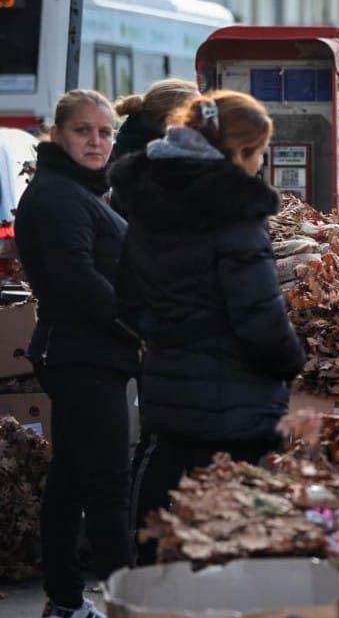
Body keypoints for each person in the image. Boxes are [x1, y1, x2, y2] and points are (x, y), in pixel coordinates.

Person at [111, 91, 306, 564]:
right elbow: (259, 319)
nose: (260, 164)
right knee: (234, 539)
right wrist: (292, 362)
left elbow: (127, 301)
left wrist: (169, 337)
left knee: (164, 529)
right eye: (259, 152)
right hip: (235, 405)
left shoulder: (148, 202)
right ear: (236, 152)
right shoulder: (235, 216)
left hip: (167, 392)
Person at [14, 90, 140, 618]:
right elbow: (79, 282)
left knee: (70, 481)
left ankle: (66, 604)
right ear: (58, 135)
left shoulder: (75, 192)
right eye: (83, 131)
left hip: (83, 354)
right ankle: (128, 610)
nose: (96, 141)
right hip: (84, 356)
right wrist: (143, 327)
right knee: (108, 483)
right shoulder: (62, 197)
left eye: (105, 132)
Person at [111, 79, 199, 161]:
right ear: (171, 121)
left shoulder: (122, 151)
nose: (205, 123)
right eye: (198, 115)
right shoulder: (169, 164)